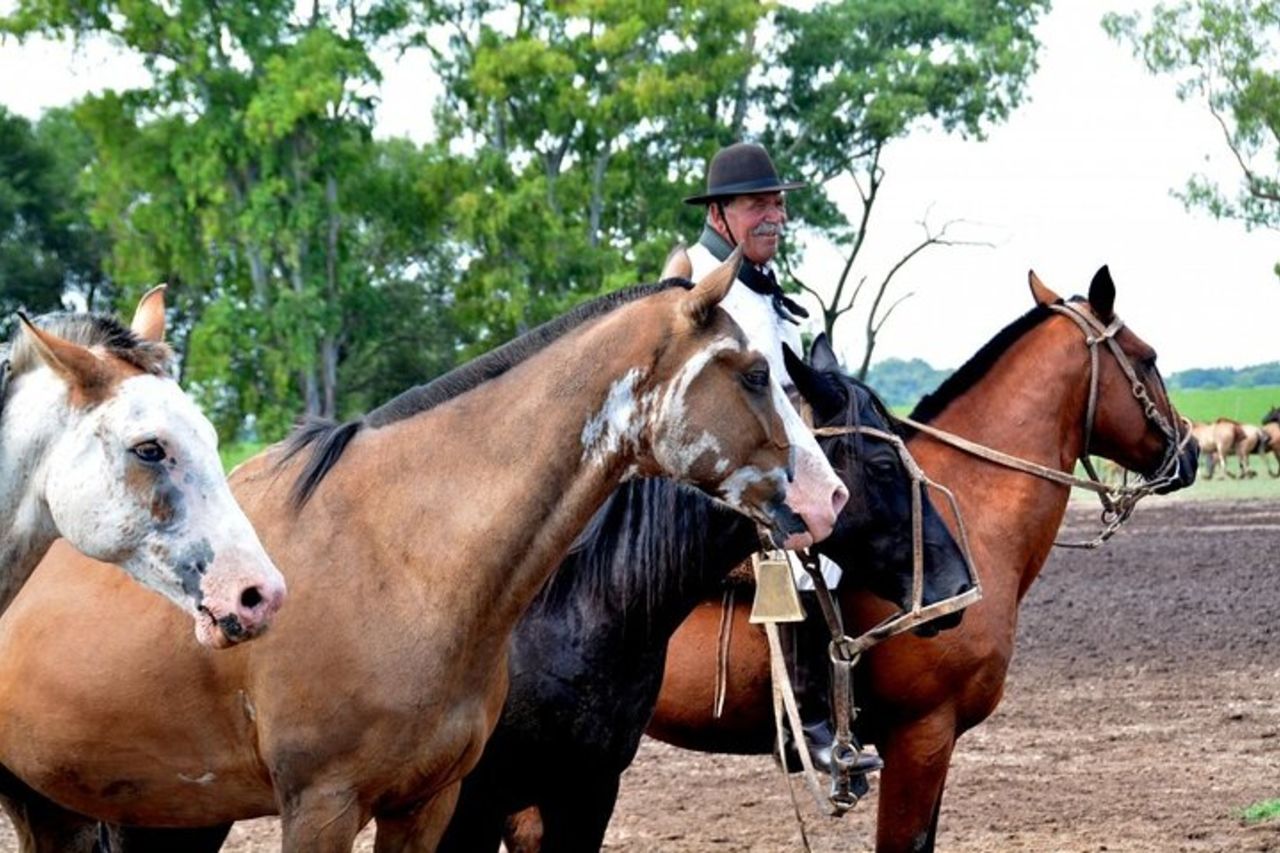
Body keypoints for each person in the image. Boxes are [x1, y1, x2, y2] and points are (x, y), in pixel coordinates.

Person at [684, 142, 878, 781]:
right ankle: (807, 727)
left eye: (778, 202)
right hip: (716, 479)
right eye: (757, 204)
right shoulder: (696, 285)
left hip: (773, 462)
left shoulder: (764, 290)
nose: (775, 215)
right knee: (803, 558)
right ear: (719, 214)